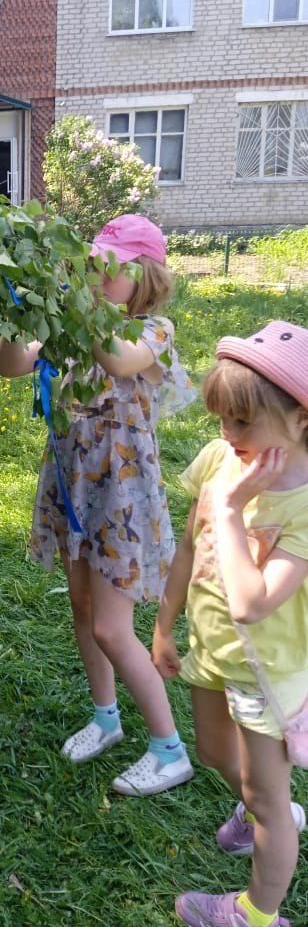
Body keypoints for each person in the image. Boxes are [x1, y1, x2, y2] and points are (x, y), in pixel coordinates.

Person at [0, 213, 195, 794]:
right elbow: (12, 363)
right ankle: (106, 717)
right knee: (82, 609)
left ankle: (169, 749)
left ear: (145, 275)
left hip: (121, 498)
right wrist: (25, 306)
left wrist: (70, 309)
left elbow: (115, 357)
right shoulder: (72, 325)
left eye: (108, 267)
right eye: (91, 264)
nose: (94, 275)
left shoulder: (153, 331)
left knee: (112, 628)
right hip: (73, 484)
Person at [153, 321, 308, 927]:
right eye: (222, 418)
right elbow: (189, 547)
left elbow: (250, 602)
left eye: (244, 422)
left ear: (301, 418)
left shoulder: (299, 504)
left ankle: (256, 913)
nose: (227, 433)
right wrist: (165, 625)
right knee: (214, 750)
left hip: (267, 675)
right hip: (211, 651)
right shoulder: (222, 458)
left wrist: (231, 506)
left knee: (268, 801)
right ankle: (258, 808)